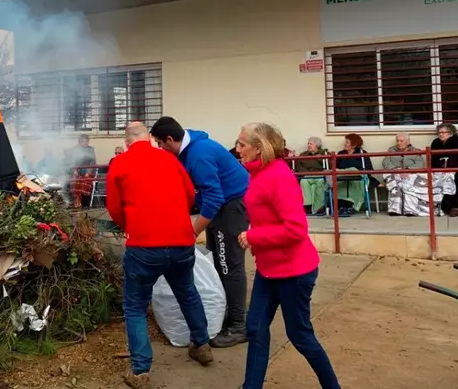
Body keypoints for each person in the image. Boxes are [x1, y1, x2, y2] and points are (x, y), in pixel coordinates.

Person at [107, 122, 213, 388]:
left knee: (135, 306)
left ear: (128, 141)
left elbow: (113, 207)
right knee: (188, 293)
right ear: (149, 139)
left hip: (143, 247)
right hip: (180, 242)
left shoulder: (119, 163)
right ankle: (202, 345)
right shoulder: (169, 159)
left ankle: (140, 370)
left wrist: (129, 226)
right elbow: (190, 194)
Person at [235, 122, 340, 389]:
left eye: (242, 145)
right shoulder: (256, 172)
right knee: (256, 328)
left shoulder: (279, 176)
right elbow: (266, 213)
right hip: (269, 268)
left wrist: (254, 236)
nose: (237, 149)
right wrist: (254, 228)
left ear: (259, 149)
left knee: (300, 335)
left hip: (294, 271)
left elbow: (295, 229)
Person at [150, 116, 249, 348]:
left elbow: (214, 198)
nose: (160, 149)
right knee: (216, 261)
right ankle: (226, 313)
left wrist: (192, 233)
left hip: (231, 206)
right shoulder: (188, 149)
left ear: (170, 140)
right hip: (220, 205)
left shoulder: (198, 155)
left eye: (160, 144)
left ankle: (238, 325)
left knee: (229, 264)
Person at [431, 123, 458, 217]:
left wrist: (453, 169)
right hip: (439, 170)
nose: (440, 134)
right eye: (439, 132)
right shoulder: (436, 143)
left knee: (453, 178)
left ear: (451, 132)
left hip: (456, 169)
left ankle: (455, 207)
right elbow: (433, 159)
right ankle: (439, 205)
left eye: (443, 132)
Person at [294, 137, 329, 214]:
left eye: (311, 144)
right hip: (307, 175)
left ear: (317, 145)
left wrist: (321, 159)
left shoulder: (324, 153)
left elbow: (329, 166)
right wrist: (307, 173)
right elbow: (299, 167)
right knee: (303, 181)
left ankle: (319, 207)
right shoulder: (303, 154)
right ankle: (307, 206)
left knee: (321, 181)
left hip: (320, 175)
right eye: (308, 144)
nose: (308, 145)